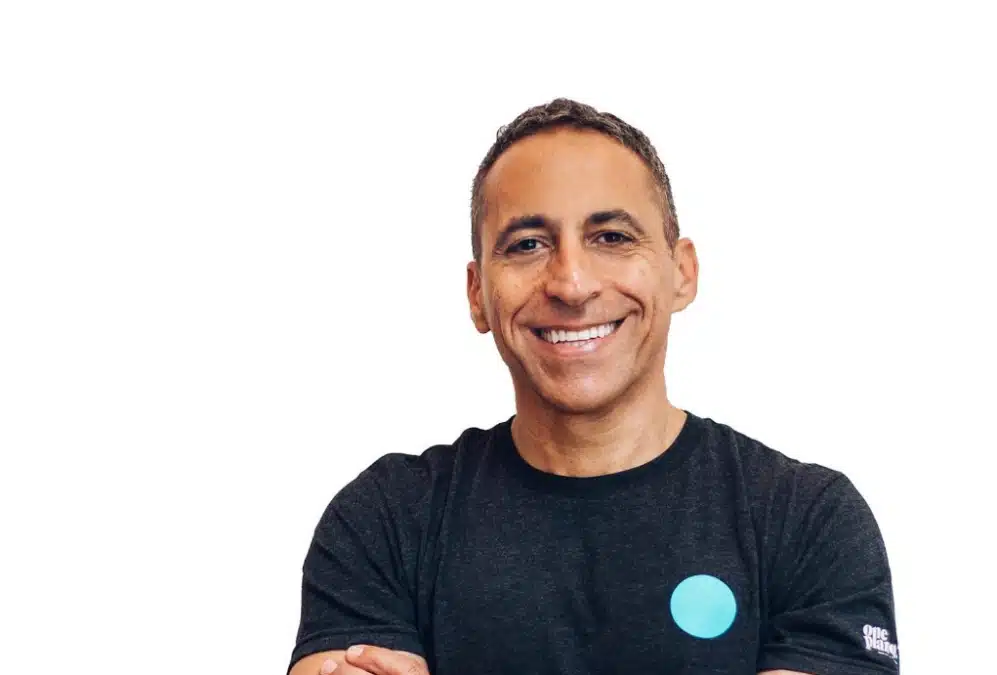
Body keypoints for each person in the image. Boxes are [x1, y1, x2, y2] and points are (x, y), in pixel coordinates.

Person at [286, 98, 900, 675]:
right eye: (528, 245)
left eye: (612, 237)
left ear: (681, 272)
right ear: (478, 295)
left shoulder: (807, 520)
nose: (572, 284)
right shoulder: (387, 522)